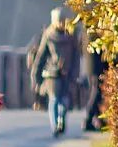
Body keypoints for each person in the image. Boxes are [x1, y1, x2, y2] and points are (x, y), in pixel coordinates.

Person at [31, 7, 81, 137]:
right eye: (59, 21)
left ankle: (60, 121)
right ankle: (56, 126)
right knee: (55, 99)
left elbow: (76, 56)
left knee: (63, 100)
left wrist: (75, 73)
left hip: (66, 73)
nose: (61, 23)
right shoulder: (50, 35)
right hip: (53, 74)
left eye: (62, 21)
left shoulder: (69, 36)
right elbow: (41, 56)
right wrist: (36, 75)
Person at [82, 31, 108, 132]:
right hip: (96, 66)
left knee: (97, 92)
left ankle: (99, 119)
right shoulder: (93, 31)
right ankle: (88, 119)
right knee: (97, 92)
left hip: (93, 66)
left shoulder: (89, 31)